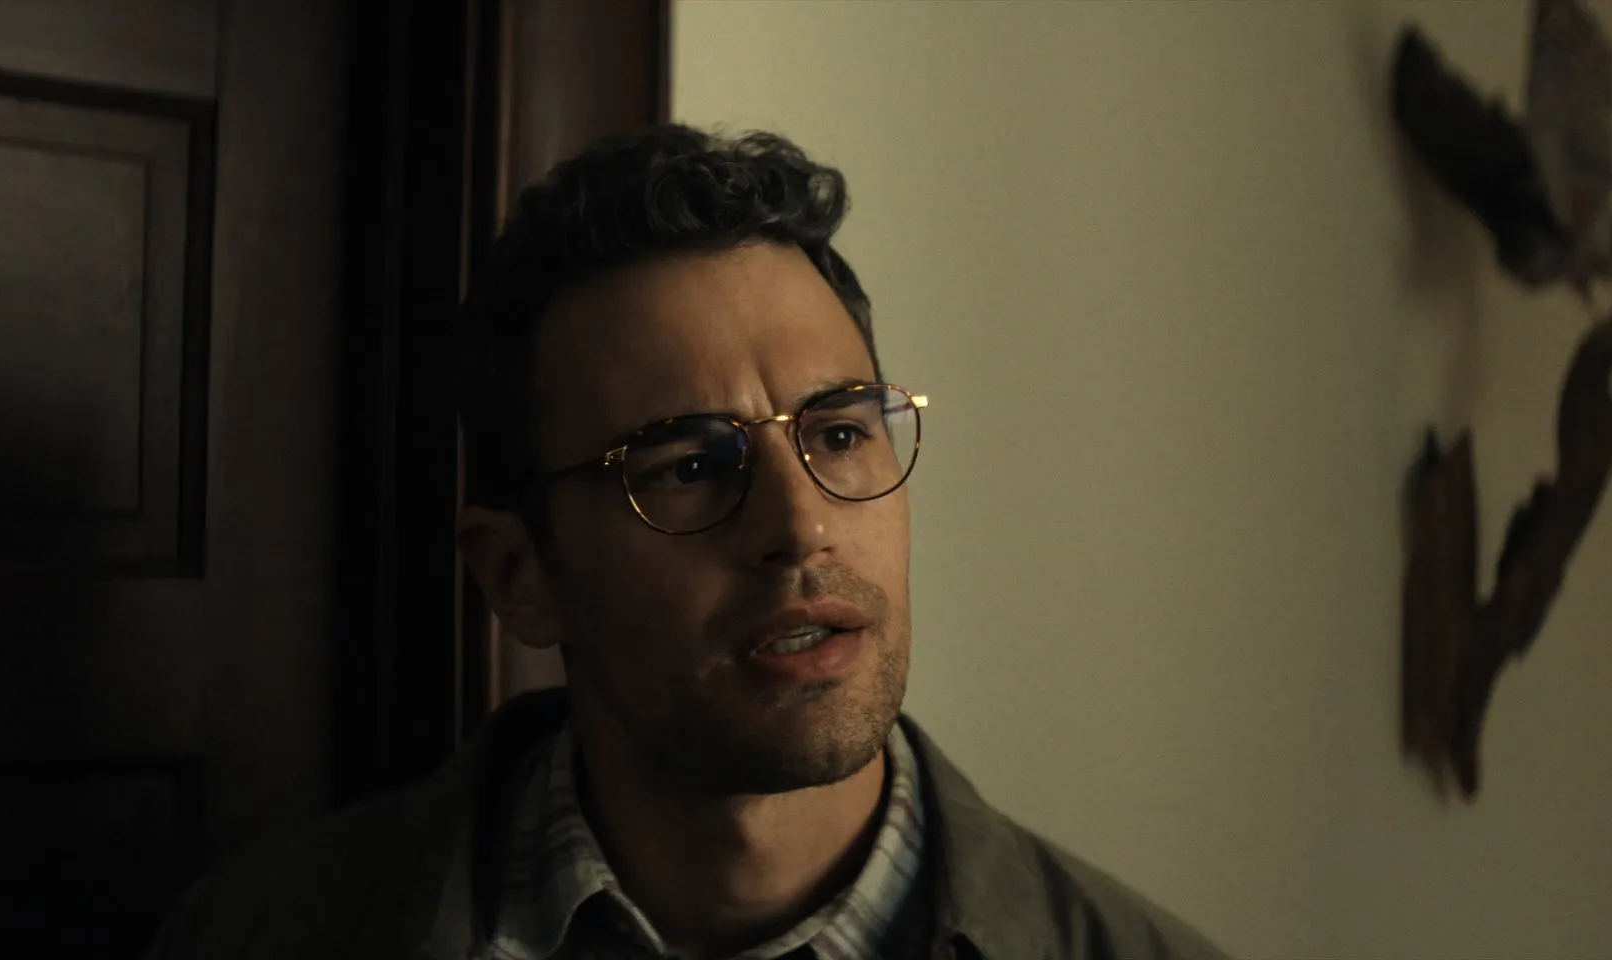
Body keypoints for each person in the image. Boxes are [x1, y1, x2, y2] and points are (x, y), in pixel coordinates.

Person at [144, 124, 1225, 960]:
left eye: (840, 434)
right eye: (691, 468)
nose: (800, 526)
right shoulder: (261, 939)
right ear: (519, 576)